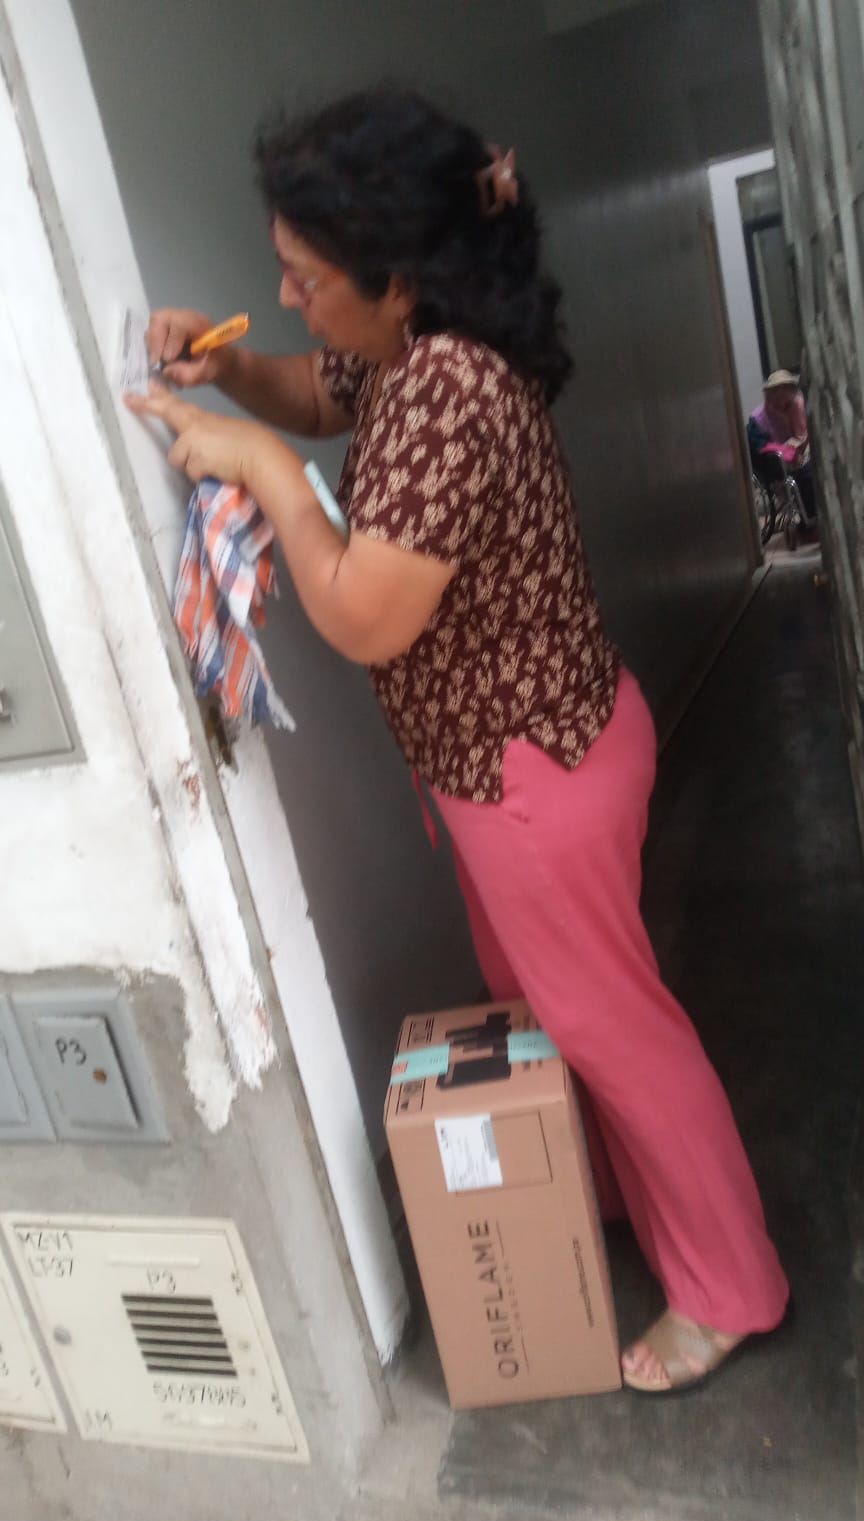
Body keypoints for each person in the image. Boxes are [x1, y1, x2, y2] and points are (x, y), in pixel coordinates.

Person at [126, 88, 789, 1394]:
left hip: (537, 780)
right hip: (510, 766)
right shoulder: (413, 341)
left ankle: (730, 1286)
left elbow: (365, 615)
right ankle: (608, 1192)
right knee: (555, 1010)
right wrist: (228, 367)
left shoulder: (451, 390)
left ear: (398, 275)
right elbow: (321, 391)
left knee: (617, 1029)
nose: (287, 295)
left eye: (307, 276)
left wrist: (262, 471)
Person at [747, 368, 817, 527]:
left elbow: (804, 433)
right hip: (776, 463)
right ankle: (809, 519)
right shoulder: (759, 419)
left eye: (786, 388)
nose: (782, 393)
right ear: (770, 393)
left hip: (798, 455)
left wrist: (799, 445)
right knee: (806, 475)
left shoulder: (796, 405)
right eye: (777, 390)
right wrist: (787, 450)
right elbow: (761, 448)